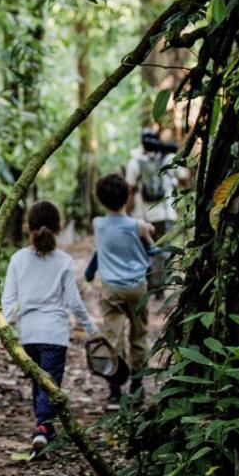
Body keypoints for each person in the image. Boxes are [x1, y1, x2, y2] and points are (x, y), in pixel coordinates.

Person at [2, 201, 101, 453]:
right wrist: (91, 329)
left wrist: (5, 329)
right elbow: (74, 303)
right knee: (50, 384)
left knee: (40, 382)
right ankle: (43, 427)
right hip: (55, 335)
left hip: (28, 335)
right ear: (59, 228)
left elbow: (8, 301)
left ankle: (47, 427)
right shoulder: (64, 261)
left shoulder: (17, 259)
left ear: (28, 228)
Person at [88, 174, 153, 408]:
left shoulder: (98, 224)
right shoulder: (138, 226)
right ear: (128, 197)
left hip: (111, 289)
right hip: (137, 287)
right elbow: (148, 235)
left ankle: (115, 391)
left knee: (113, 336)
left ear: (101, 200)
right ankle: (137, 386)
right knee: (139, 335)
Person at [125, 128, 186, 294]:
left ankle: (149, 285)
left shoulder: (135, 162)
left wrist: (126, 212)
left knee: (144, 249)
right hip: (166, 214)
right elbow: (185, 179)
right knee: (163, 250)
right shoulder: (168, 159)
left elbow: (130, 190)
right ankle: (160, 288)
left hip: (143, 216)